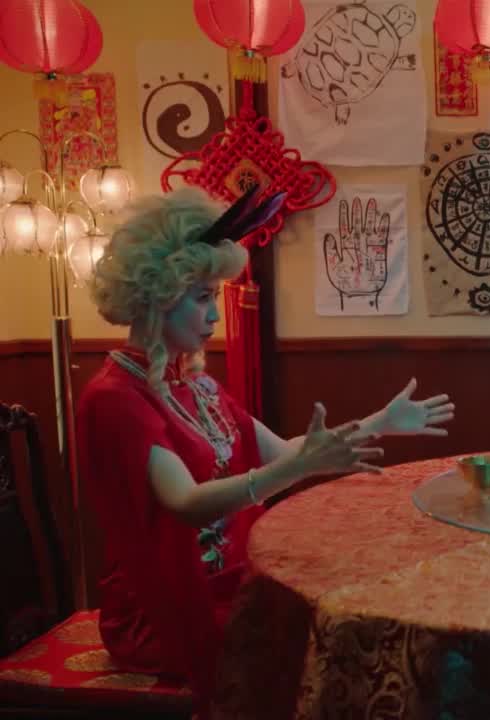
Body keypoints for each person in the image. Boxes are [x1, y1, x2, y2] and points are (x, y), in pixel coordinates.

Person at [75, 188, 455, 712]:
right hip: (167, 606)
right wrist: (295, 470)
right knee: (327, 630)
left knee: (351, 589)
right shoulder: (115, 396)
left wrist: (380, 422)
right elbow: (186, 503)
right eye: (202, 297)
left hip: (234, 580)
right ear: (157, 295)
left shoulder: (193, 383)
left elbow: (286, 451)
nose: (215, 315)